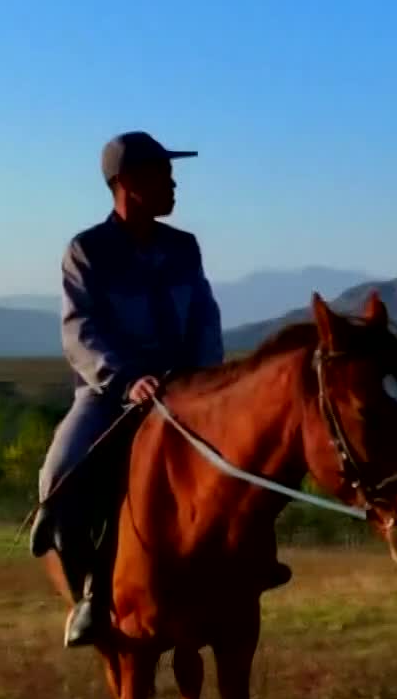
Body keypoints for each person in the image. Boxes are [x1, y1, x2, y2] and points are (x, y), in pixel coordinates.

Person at [30, 130, 289, 648]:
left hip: (185, 392)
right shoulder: (86, 251)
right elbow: (79, 330)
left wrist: (201, 378)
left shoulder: (183, 248)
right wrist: (125, 379)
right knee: (58, 475)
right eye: (161, 175)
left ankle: (255, 562)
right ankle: (90, 595)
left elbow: (204, 318)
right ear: (125, 184)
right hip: (109, 395)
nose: (173, 185)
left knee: (249, 456)